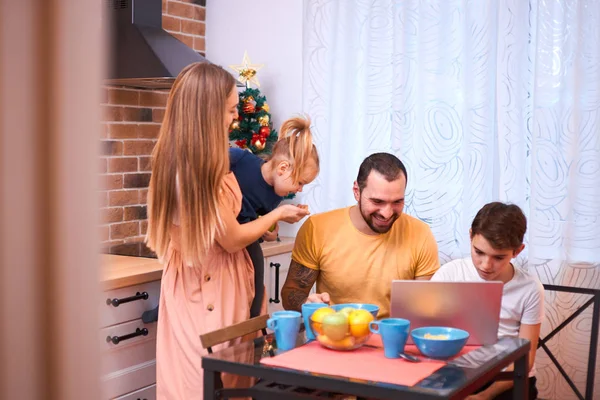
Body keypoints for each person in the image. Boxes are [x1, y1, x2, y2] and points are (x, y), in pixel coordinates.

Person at [145, 62, 310, 399]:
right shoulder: (187, 171)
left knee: (232, 386)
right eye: (231, 109)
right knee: (197, 387)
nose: (235, 118)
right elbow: (231, 238)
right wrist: (275, 216)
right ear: (206, 112)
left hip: (229, 287)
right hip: (203, 293)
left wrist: (261, 225)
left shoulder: (211, 161)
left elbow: (228, 225)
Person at [281, 152, 440, 319]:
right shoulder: (317, 228)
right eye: (377, 202)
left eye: (397, 202)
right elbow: (291, 294)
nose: (387, 213)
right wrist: (307, 304)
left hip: (392, 339)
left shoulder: (420, 234)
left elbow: (424, 309)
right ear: (357, 191)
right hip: (335, 336)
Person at [431, 202, 544, 400]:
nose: (486, 265)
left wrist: (484, 396)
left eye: (498, 257)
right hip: (457, 375)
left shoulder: (530, 289)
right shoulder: (450, 273)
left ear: (517, 251)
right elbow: (426, 333)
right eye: (479, 252)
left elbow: (524, 362)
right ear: (470, 236)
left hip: (507, 379)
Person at [229, 115, 320, 318]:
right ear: (283, 168)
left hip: (243, 243)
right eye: (300, 182)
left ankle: (254, 325)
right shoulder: (239, 160)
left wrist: (269, 232)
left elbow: (255, 224)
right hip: (221, 236)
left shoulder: (274, 195)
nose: (299, 188)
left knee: (256, 287)